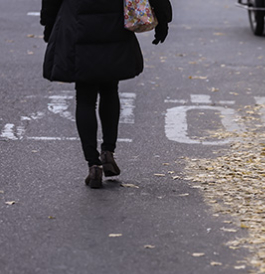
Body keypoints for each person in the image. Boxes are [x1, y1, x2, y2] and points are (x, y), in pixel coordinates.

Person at [40, 0, 173, 188]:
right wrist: (163, 19)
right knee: (110, 89)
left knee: (85, 98)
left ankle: (93, 164)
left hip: (77, 22)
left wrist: (49, 23)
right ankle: (108, 152)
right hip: (114, 21)